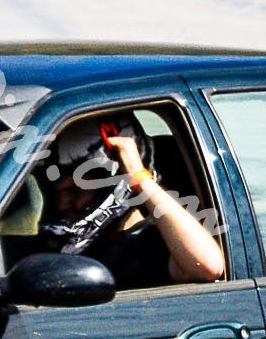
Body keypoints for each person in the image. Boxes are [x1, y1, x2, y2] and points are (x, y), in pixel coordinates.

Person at [37, 117, 224, 289]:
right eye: (56, 194)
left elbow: (207, 266)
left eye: (74, 191)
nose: (62, 205)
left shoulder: (149, 244)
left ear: (114, 181)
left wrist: (138, 177)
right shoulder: (58, 243)